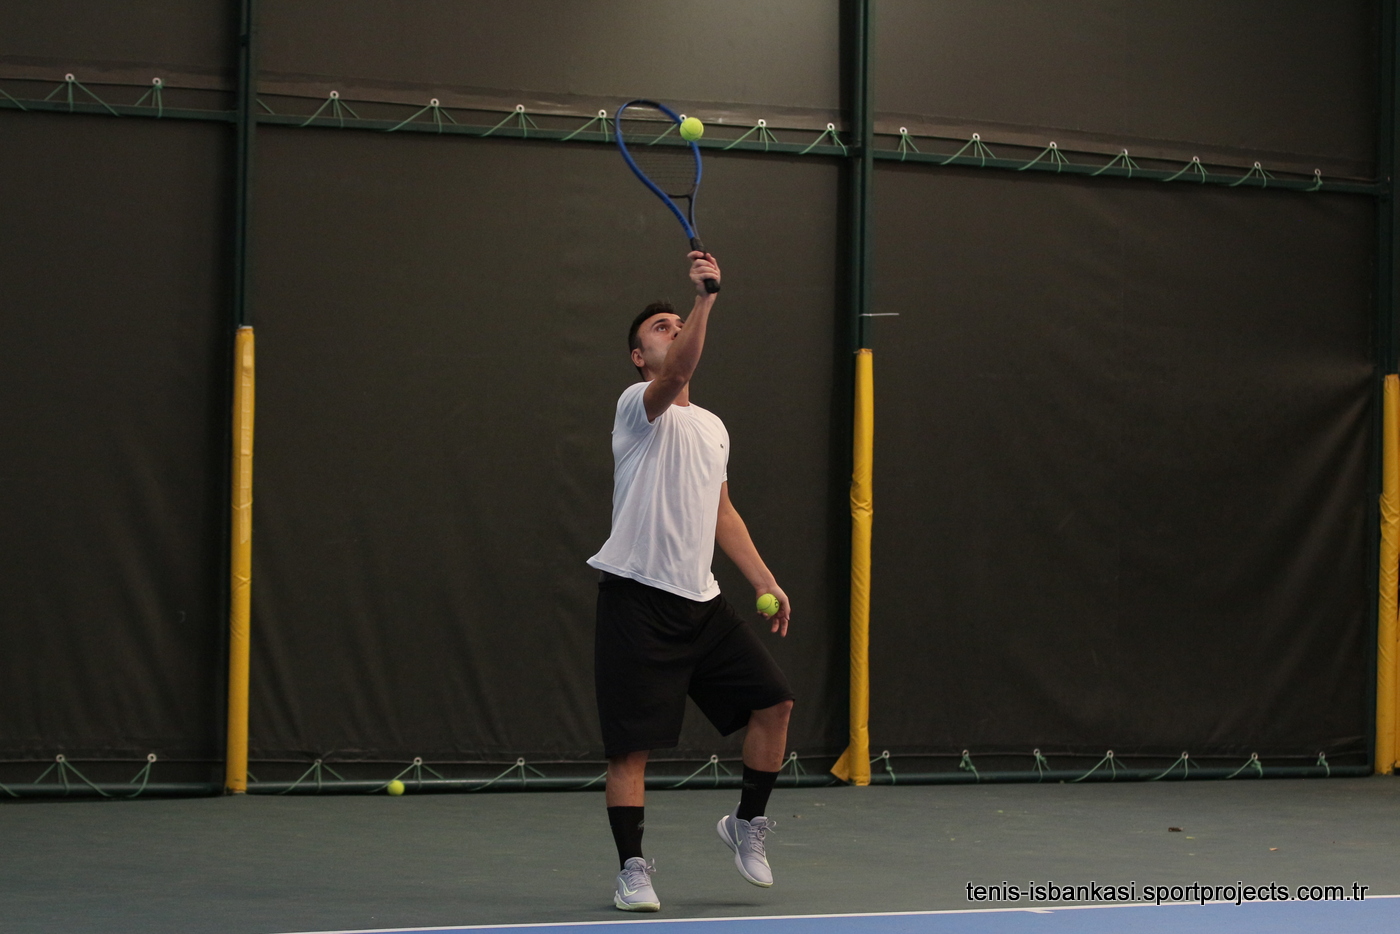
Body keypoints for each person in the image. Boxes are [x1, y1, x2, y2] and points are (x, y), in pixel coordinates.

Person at [587, 251, 796, 912]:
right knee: (631, 751)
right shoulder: (635, 407)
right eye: (661, 328)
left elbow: (722, 512)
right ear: (638, 357)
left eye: (679, 323)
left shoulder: (712, 427)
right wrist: (704, 300)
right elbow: (678, 371)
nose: (673, 331)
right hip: (636, 601)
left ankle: (746, 823)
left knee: (775, 705)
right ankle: (632, 870)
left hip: (702, 606)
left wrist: (763, 579)